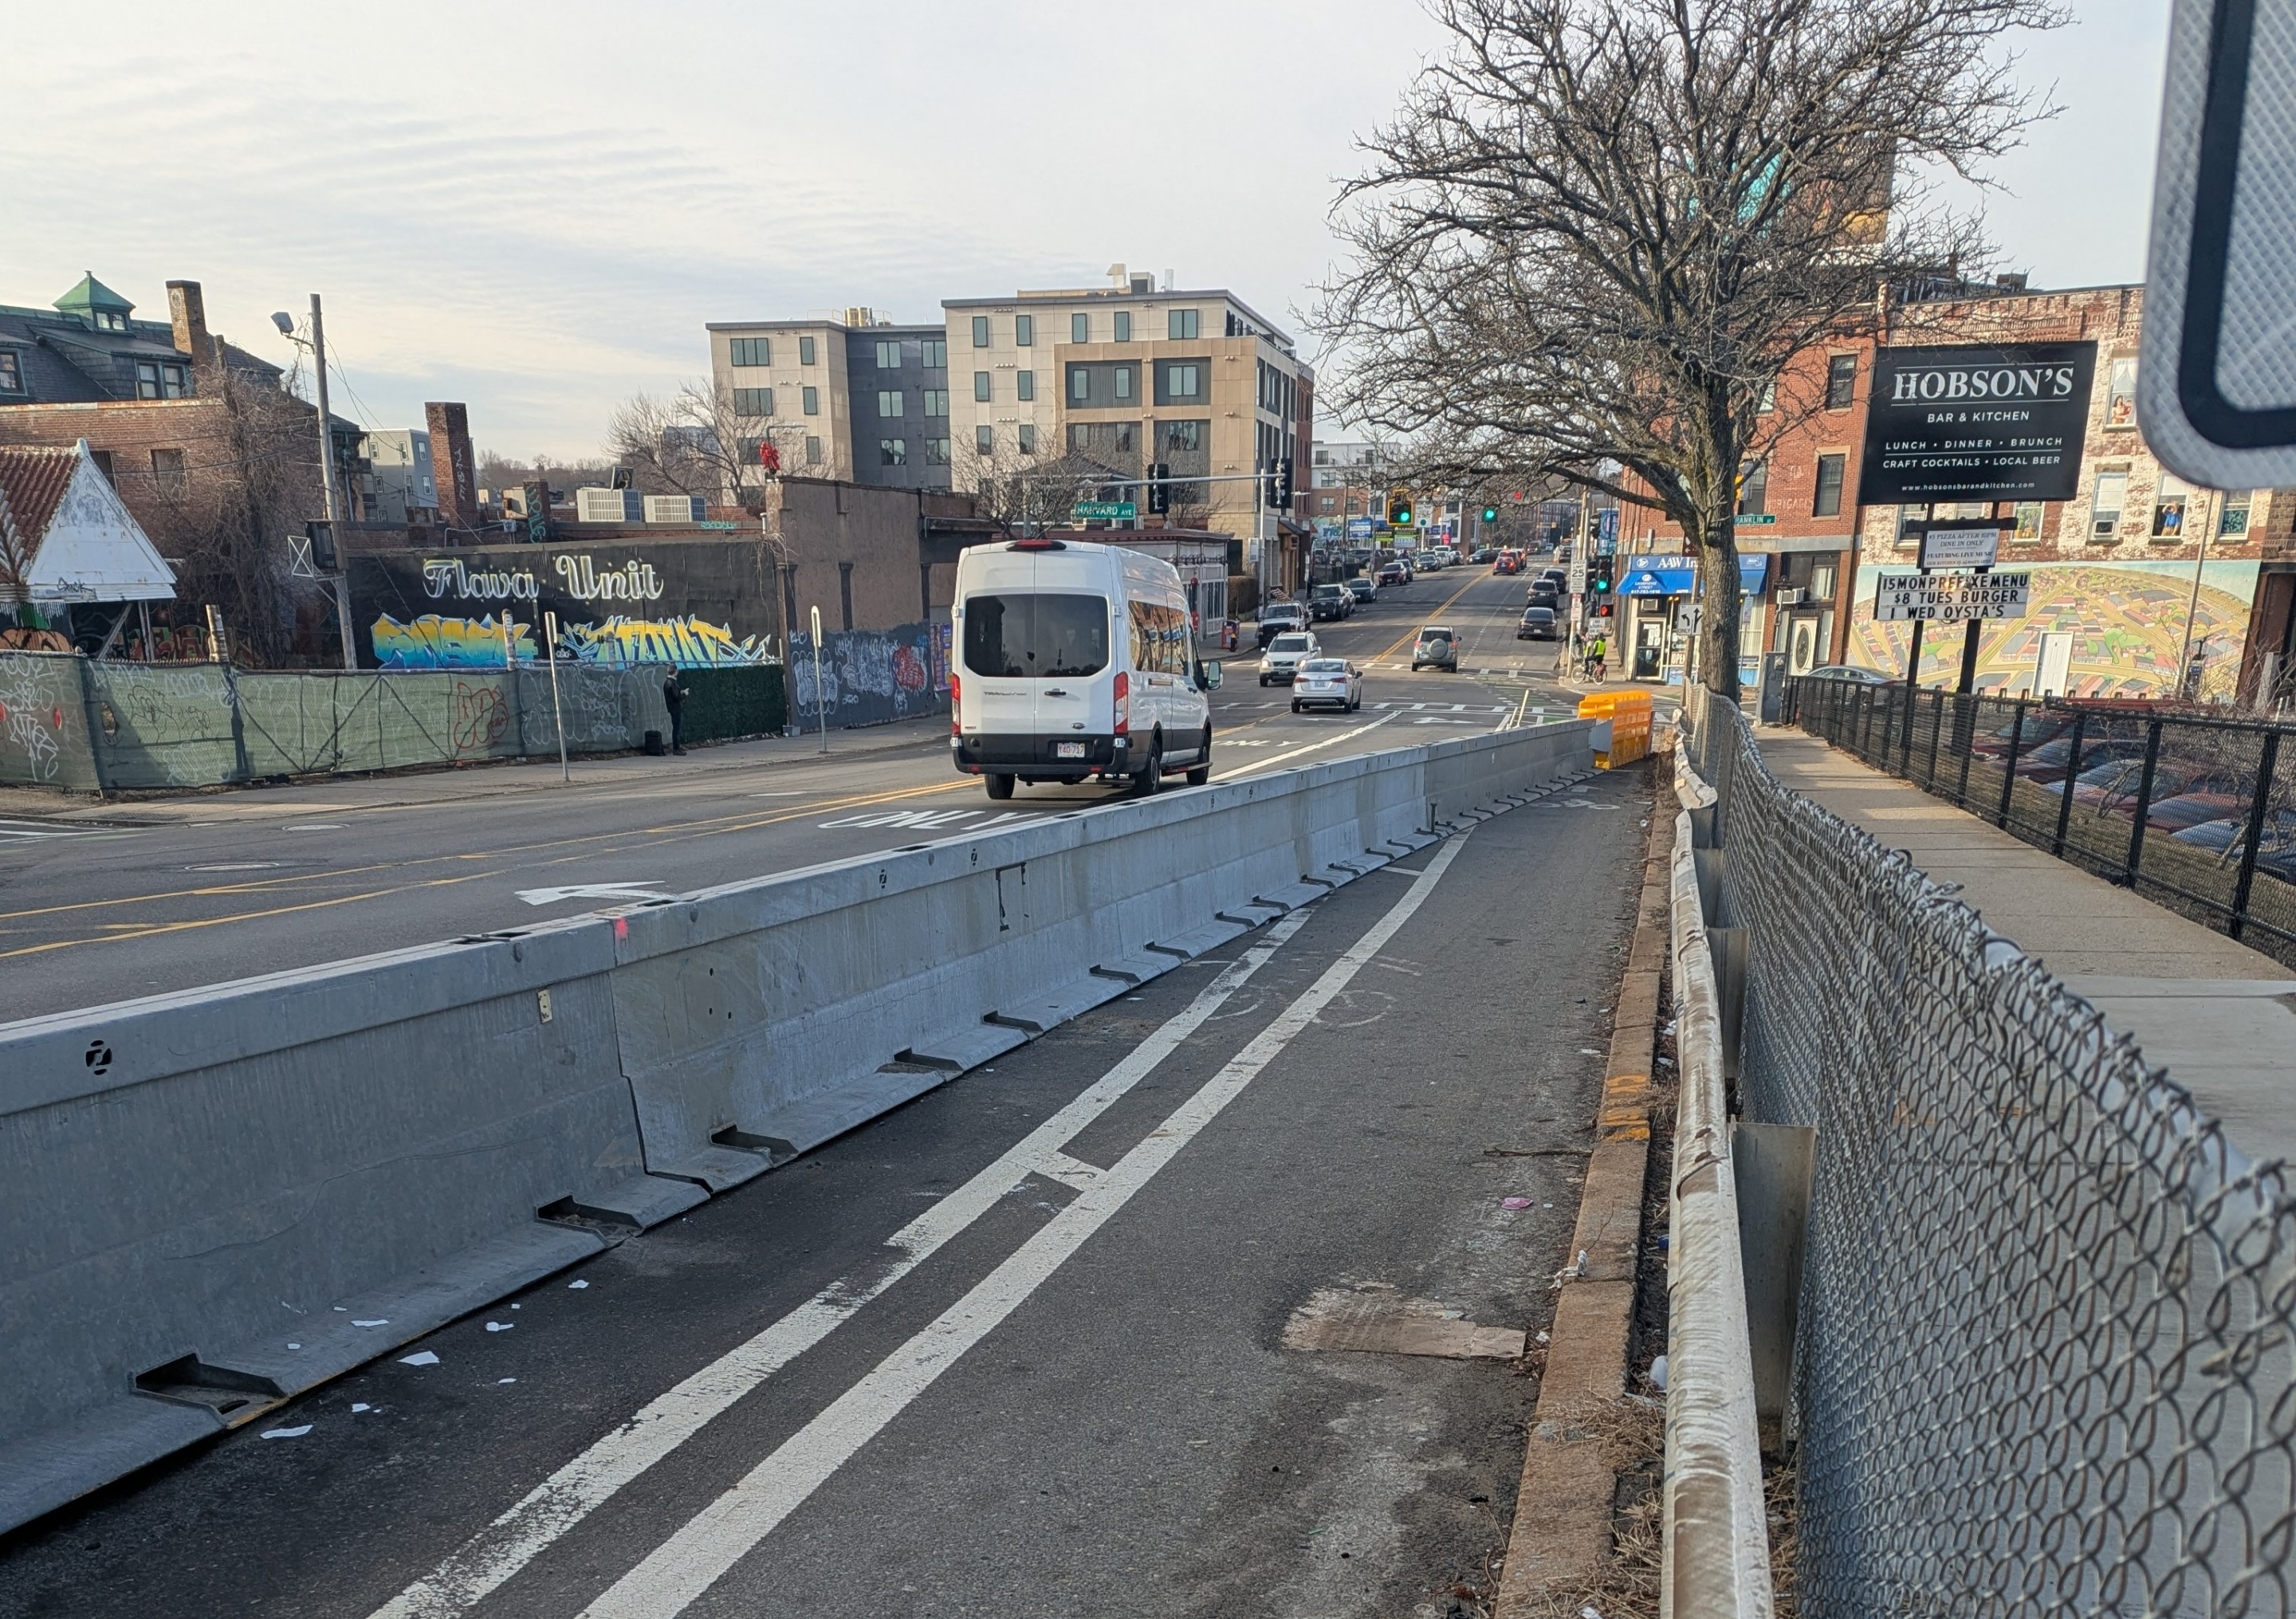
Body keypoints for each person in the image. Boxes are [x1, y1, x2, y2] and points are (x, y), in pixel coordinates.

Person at [662, 670, 690, 754]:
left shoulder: (668, 682)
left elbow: (674, 695)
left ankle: (677, 747)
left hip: (673, 708)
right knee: (676, 729)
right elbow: (677, 698)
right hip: (675, 709)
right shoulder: (671, 682)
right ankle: (676, 749)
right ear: (675, 672)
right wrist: (684, 694)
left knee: (676, 728)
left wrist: (680, 692)